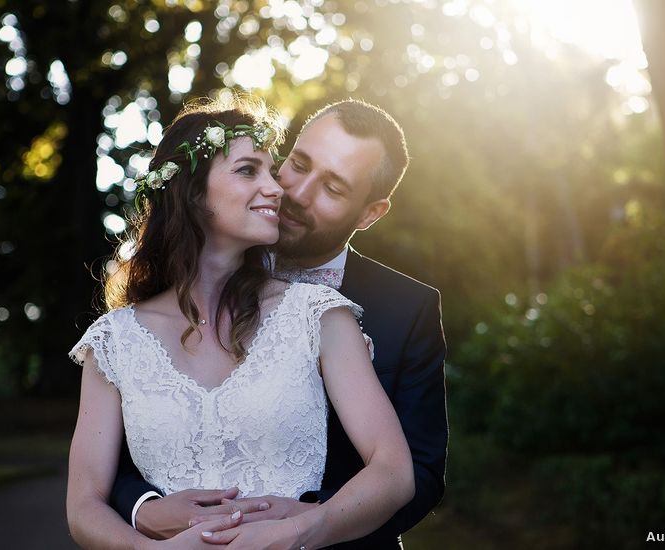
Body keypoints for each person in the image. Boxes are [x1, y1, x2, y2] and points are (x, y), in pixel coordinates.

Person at [66, 96, 415, 550]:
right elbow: (84, 504)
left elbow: (394, 470)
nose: (277, 188)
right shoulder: (114, 341)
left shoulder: (319, 316)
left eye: (272, 171)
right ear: (192, 193)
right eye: (249, 171)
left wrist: (296, 532)